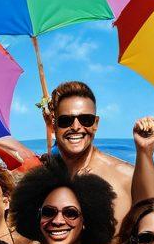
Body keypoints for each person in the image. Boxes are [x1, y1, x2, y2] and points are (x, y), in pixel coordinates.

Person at [45, 80, 136, 227]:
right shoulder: (46, 181)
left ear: (96, 123)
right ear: (53, 125)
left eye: (85, 119)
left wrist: (145, 154)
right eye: (65, 120)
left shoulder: (124, 175)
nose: (76, 127)